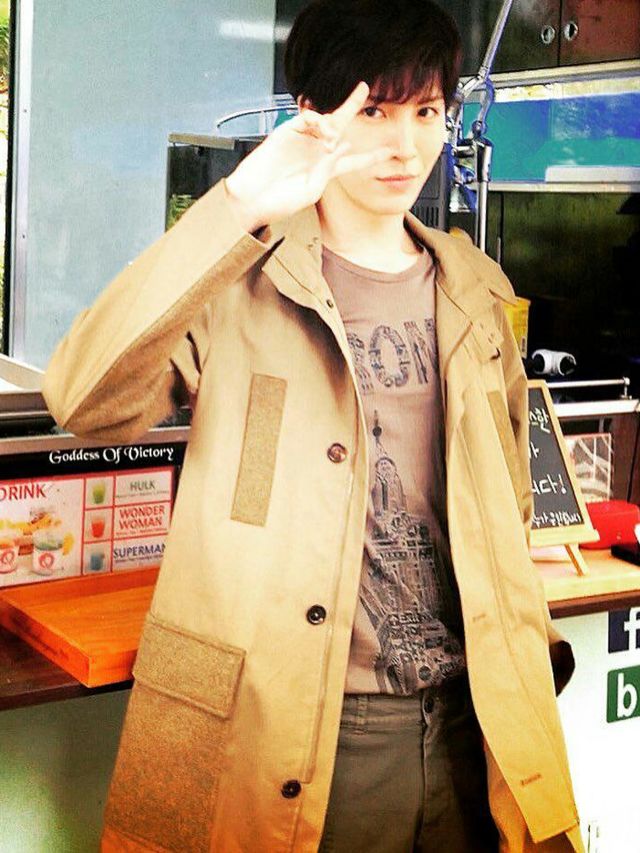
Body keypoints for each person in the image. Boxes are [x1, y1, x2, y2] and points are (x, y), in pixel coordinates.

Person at [43, 1, 584, 851]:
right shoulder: (240, 277)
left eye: (426, 112)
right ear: (312, 117)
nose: (405, 145)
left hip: (473, 724)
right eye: (374, 111)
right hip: (295, 726)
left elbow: (509, 497)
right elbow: (83, 397)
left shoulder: (475, 285)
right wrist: (238, 204)